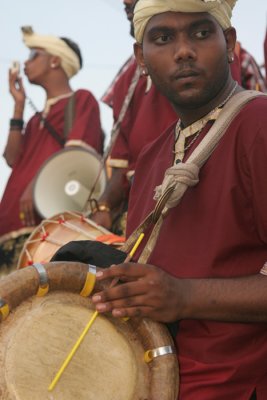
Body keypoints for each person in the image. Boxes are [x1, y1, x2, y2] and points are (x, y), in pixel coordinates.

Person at [91, 1, 267, 399]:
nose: (184, 50)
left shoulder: (259, 124)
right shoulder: (153, 156)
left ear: (230, 43)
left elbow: (176, 293)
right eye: (163, 38)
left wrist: (182, 296)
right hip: (155, 382)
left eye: (201, 33)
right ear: (141, 57)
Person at [0, 27, 103, 269]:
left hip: (45, 229)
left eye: (34, 55)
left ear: (55, 60)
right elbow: (11, 158)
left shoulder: (81, 100)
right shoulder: (35, 120)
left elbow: (74, 159)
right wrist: (18, 106)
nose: (26, 63)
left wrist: (35, 184)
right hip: (8, 228)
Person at [91, 0, 177, 233]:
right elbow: (120, 167)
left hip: (189, 199)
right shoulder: (125, 79)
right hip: (137, 207)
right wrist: (104, 206)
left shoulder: (209, 54)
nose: (126, 2)